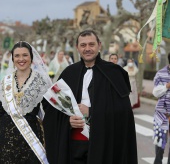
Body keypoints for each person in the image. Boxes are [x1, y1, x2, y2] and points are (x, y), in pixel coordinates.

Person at [43, 30, 138, 164]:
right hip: (74, 145)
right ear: (77, 48)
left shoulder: (115, 73)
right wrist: (67, 121)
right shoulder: (69, 73)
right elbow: (52, 109)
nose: (87, 49)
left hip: (104, 145)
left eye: (91, 44)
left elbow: (123, 112)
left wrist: (92, 112)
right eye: (83, 45)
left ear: (99, 45)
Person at [0, 41, 52, 164]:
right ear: (12, 59)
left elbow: (50, 111)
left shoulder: (42, 81)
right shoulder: (5, 81)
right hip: (5, 139)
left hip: (32, 139)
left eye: (25, 55)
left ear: (31, 57)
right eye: (17, 56)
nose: (21, 59)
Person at [152, 53, 170, 164]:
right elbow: (155, 93)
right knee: (160, 142)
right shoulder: (161, 73)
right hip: (162, 113)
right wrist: (166, 86)